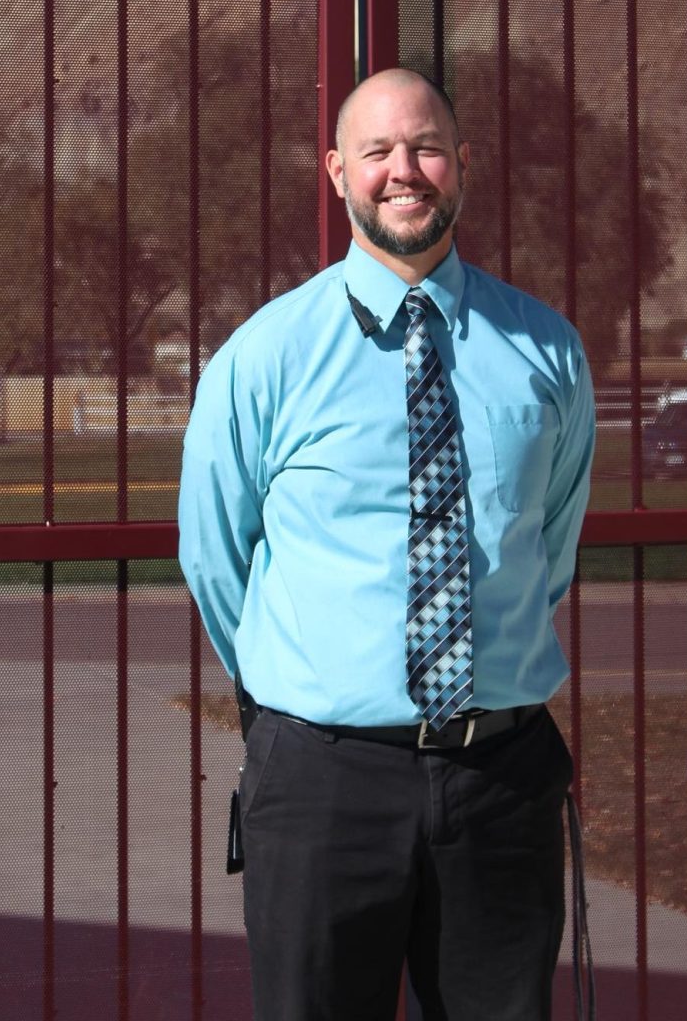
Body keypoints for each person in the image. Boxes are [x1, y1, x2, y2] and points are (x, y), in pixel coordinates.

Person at [179, 67, 596, 1021]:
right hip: (322, 786)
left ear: (464, 166)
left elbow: (546, 548)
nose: (404, 171)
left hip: (501, 782)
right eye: (377, 151)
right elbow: (214, 556)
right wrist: (302, 696)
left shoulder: (547, 351)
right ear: (337, 172)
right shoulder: (265, 357)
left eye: (427, 146)